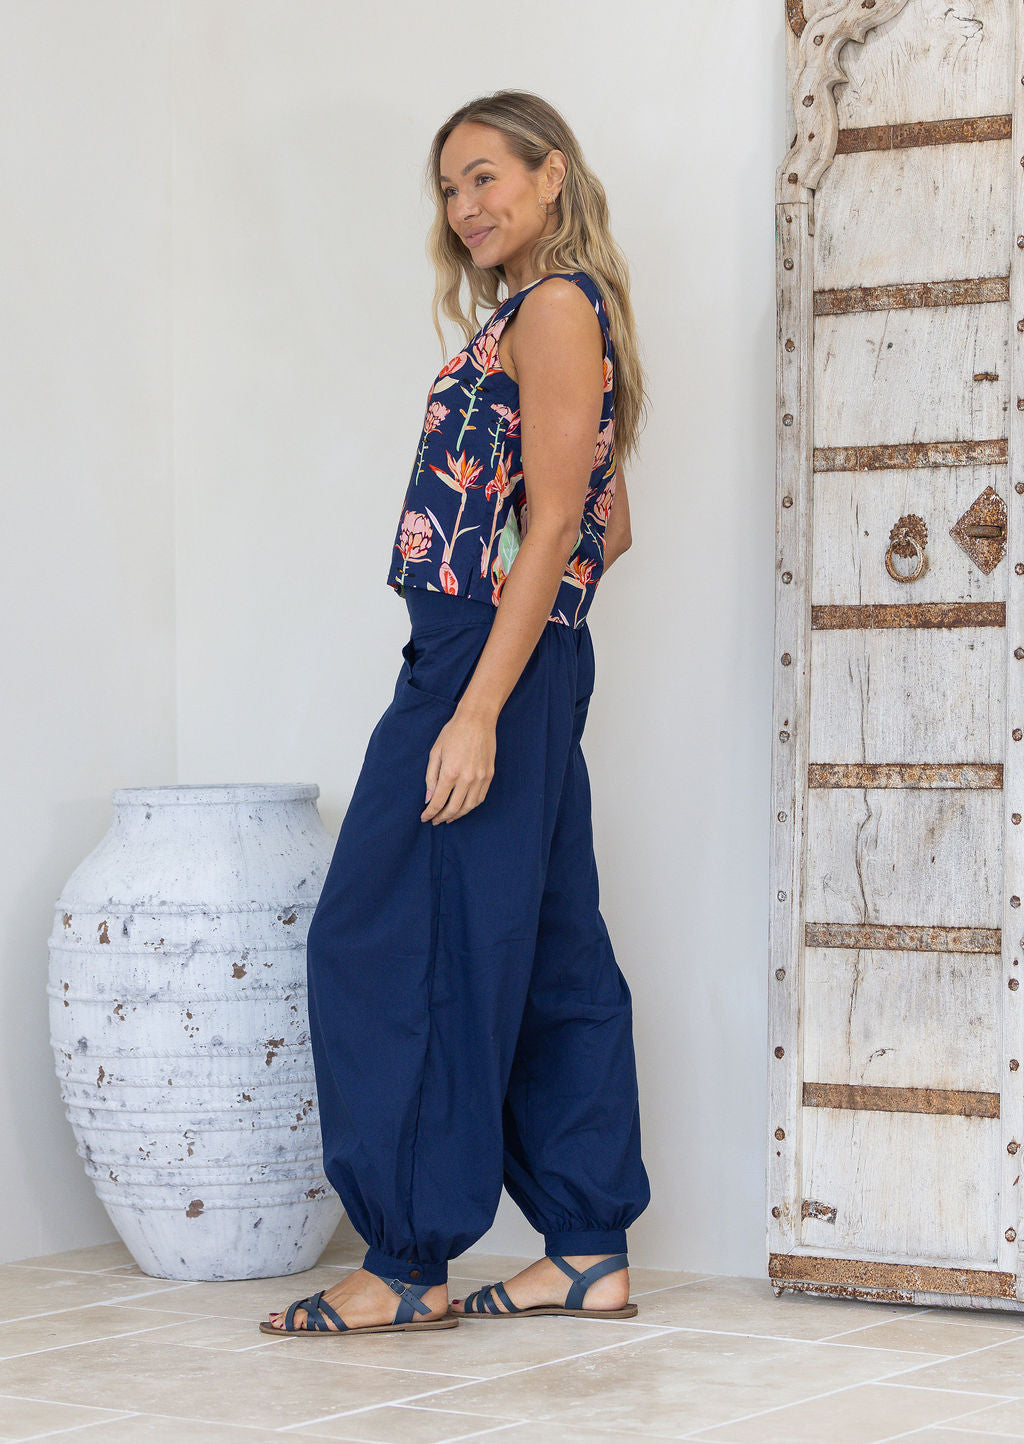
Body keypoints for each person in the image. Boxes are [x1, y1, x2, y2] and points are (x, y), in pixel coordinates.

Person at [261, 88, 651, 1338]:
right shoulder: (567, 315)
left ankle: (407, 1263)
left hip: (482, 658)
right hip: (531, 654)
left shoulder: (548, 309)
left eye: (485, 176)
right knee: (547, 952)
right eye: (448, 186)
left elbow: (551, 521)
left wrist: (480, 702)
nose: (466, 205)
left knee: (388, 940)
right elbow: (609, 523)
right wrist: (537, 667)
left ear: (549, 176)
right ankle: (585, 1248)